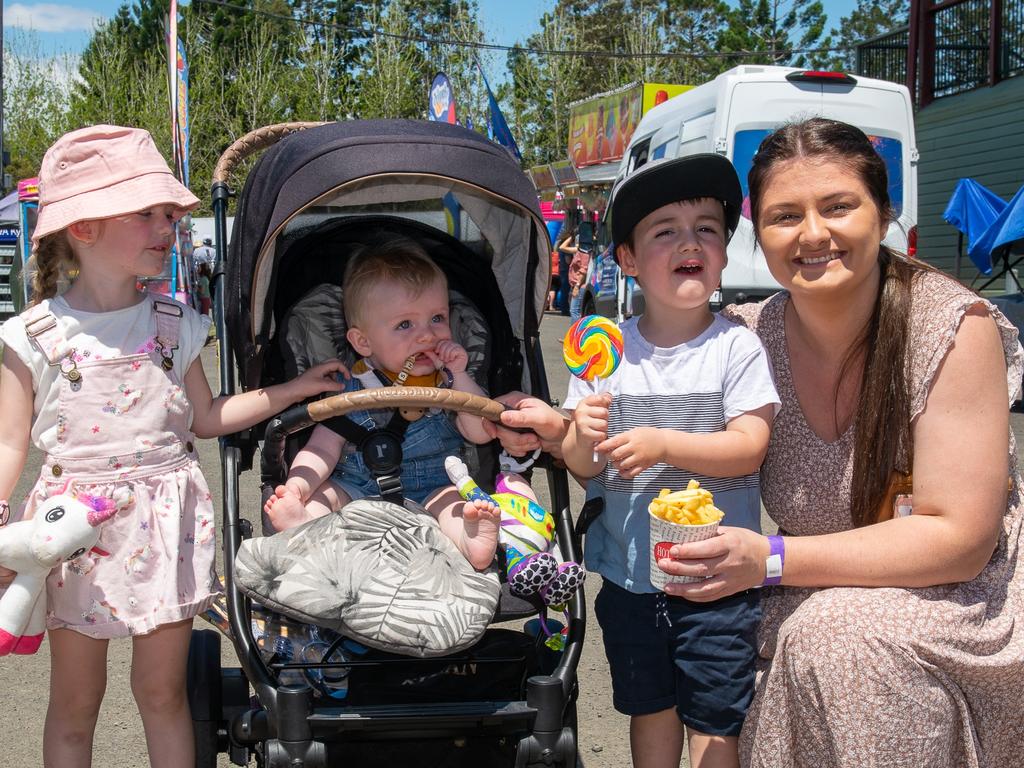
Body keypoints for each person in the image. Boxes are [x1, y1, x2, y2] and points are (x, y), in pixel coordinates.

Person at [657, 118, 1024, 767]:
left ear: (883, 213)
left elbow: (961, 541)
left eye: (837, 206)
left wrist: (767, 559)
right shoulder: (746, 341)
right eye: (785, 215)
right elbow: (644, 418)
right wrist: (540, 420)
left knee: (840, 639)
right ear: (758, 233)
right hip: (808, 599)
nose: (813, 234)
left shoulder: (949, 328)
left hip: (957, 605)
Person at [0, 124, 346, 768]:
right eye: (149, 213)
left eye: (169, 213)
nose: (168, 226)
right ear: (85, 227)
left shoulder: (173, 322)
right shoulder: (35, 333)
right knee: (76, 702)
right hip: (75, 532)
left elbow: (208, 417)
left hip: (164, 523)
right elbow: (8, 443)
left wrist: (293, 386)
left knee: (162, 693)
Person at [563, 154, 780, 768]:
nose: (690, 242)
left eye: (706, 229)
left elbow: (748, 446)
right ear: (627, 260)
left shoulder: (736, 346)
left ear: (722, 253)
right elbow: (585, 466)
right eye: (666, 231)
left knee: (715, 715)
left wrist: (662, 443)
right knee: (649, 706)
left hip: (717, 576)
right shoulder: (606, 353)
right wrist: (579, 429)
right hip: (631, 576)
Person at [262, 239, 502, 571]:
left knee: (453, 503)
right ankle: (304, 525)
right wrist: (298, 487)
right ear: (362, 341)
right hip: (356, 489)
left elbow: (480, 433)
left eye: (437, 318)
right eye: (405, 325)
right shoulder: (350, 388)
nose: (426, 336)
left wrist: (460, 375)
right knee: (326, 496)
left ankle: (471, 538)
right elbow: (322, 448)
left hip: (432, 487)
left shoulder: (448, 383)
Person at [556, 226, 578, 316]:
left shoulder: (560, 243)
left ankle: (563, 309)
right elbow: (568, 260)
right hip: (566, 270)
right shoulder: (567, 247)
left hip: (562, 269)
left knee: (564, 290)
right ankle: (565, 309)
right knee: (566, 290)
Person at [567, 245, 591, 321]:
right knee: (574, 310)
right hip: (575, 285)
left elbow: (584, 270)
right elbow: (562, 247)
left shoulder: (585, 252)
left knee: (575, 311)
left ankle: (576, 332)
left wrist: (577, 286)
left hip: (580, 286)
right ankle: (575, 331)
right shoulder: (581, 250)